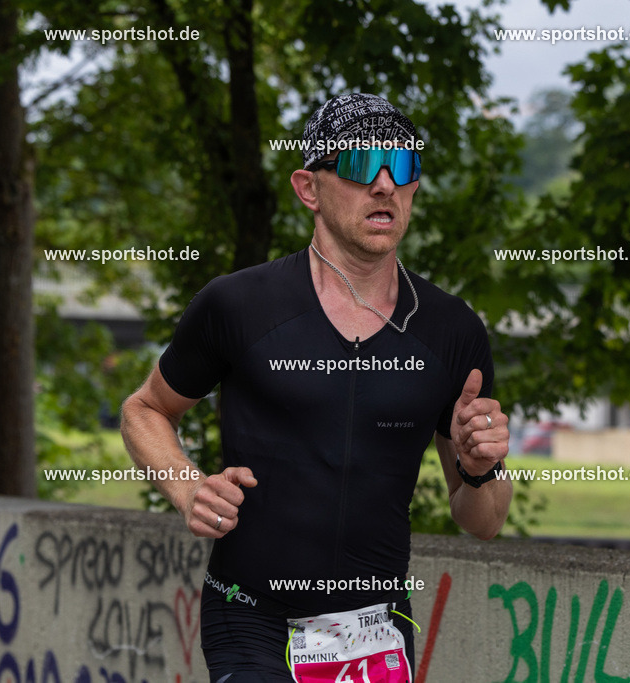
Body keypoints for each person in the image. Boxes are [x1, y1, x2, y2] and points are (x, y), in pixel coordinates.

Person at [121, 92, 512, 683]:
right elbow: (145, 408)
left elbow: (481, 519)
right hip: (252, 617)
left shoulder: (451, 330)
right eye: (359, 165)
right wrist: (187, 486)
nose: (384, 184)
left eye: (402, 167)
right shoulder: (239, 305)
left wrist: (481, 468)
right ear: (309, 188)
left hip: (376, 631)